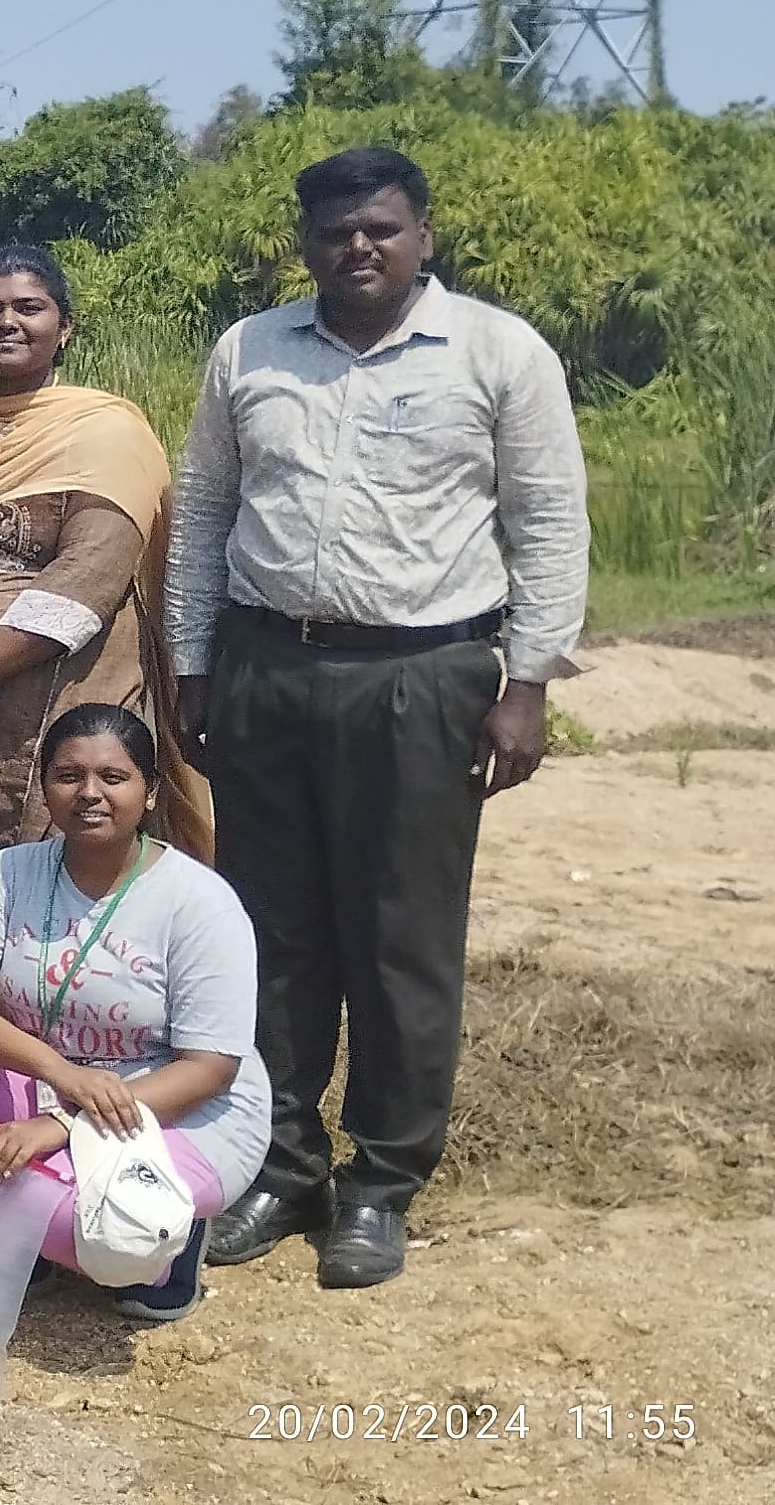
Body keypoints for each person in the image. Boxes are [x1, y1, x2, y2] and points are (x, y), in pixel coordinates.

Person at [173, 146, 586, 1289]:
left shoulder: (496, 352)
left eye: (382, 228)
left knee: (401, 936)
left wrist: (528, 683)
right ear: (306, 244)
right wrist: (193, 663)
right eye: (335, 230)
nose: (358, 246)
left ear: (423, 236)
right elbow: (203, 511)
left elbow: (549, 521)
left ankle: (381, 1181)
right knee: (271, 932)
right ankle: (282, 1162)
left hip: (425, 673)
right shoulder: (250, 350)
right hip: (266, 664)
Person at [0, 245, 213, 991]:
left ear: (65, 326)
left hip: (60, 694)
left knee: (69, 886)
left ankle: (76, 1027)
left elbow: (89, 577)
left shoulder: (105, 433)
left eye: (30, 308)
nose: (7, 322)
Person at [0, 705, 263, 1322]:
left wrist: (62, 1126)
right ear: (45, 785)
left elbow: (209, 1069)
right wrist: (61, 1076)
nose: (89, 793)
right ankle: (29, 1229)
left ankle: (157, 1243)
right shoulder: (8, 873)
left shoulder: (200, 901)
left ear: (150, 791)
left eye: (114, 777)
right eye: (69, 776)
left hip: (173, 1111)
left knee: (118, 1237)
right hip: (49, 1081)